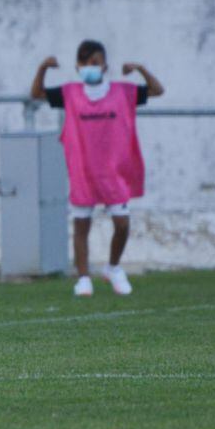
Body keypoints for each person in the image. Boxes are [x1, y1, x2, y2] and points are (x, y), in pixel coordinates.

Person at [30, 40, 164, 297]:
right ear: (78, 66)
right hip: (83, 171)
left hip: (115, 171)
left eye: (95, 62)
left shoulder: (123, 92)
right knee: (82, 226)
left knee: (122, 224)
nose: (90, 67)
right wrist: (43, 67)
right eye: (85, 63)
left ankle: (113, 268)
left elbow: (157, 90)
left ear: (105, 65)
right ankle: (83, 279)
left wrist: (140, 69)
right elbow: (37, 94)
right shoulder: (70, 93)